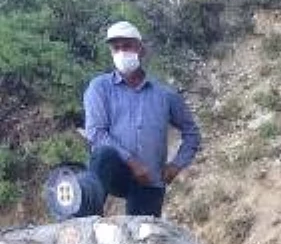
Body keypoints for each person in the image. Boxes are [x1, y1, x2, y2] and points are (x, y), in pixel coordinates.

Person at [80, 21, 201, 217]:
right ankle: (88, 218)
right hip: (116, 171)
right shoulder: (99, 88)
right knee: (103, 155)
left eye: (127, 46)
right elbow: (96, 133)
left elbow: (192, 133)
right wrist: (133, 163)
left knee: (144, 236)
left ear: (140, 49)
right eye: (116, 48)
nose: (121, 52)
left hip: (149, 180)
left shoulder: (164, 94)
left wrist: (176, 165)